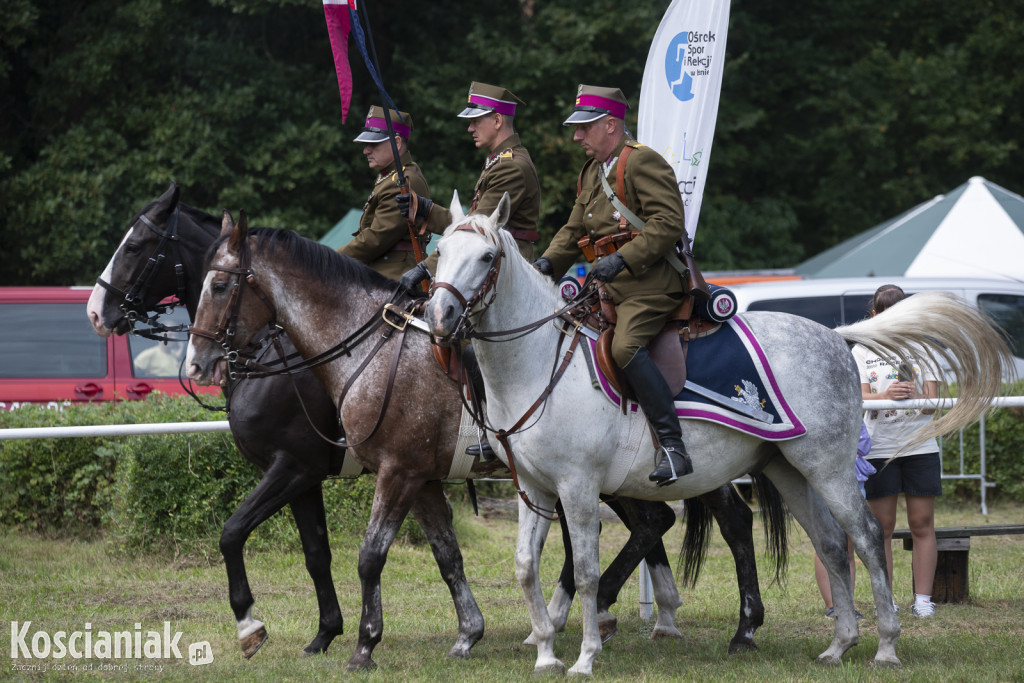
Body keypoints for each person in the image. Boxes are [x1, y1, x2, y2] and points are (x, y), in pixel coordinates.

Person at [534, 84, 695, 486]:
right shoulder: (591, 171)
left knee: (625, 347)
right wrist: (545, 265)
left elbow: (668, 223)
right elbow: (573, 230)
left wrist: (623, 258)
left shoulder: (642, 163)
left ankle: (673, 447)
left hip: (651, 285)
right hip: (610, 288)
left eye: (584, 128)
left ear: (610, 125)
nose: (576, 137)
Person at [397, 81, 541, 290]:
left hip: (502, 277)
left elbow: (474, 232)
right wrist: (425, 209)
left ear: (497, 120)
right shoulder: (499, 161)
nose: (470, 128)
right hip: (489, 268)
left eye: (475, 121)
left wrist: (425, 269)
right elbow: (472, 222)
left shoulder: (510, 167)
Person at [854, 284, 941, 618]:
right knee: (883, 527)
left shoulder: (923, 346)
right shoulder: (862, 348)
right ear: (874, 315)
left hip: (920, 444)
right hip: (879, 448)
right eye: (884, 314)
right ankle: (885, 598)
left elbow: (932, 403)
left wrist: (917, 395)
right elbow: (861, 399)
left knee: (922, 523)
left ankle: (923, 600)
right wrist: (888, 394)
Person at [340, 106, 435, 281]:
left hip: (396, 280)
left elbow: (375, 239)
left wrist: (328, 259)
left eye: (373, 144)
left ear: (397, 143)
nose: (366, 150)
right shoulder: (390, 177)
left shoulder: (403, 181)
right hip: (380, 273)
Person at [813, 421, 874, 619]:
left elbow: (865, 443)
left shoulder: (852, 414)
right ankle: (832, 605)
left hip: (854, 483)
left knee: (848, 546)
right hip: (827, 482)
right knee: (826, 543)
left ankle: (847, 603)